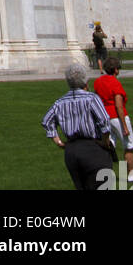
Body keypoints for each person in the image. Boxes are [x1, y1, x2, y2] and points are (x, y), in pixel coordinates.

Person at [42, 62, 116, 190]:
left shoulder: (60, 102)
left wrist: (58, 141)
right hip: (92, 148)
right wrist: (105, 142)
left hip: (72, 151)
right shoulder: (92, 98)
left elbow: (47, 121)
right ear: (85, 80)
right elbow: (104, 121)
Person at [94, 54, 133, 184]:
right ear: (116, 70)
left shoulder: (98, 81)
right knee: (129, 146)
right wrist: (124, 126)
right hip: (116, 117)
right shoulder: (115, 82)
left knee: (108, 145)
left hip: (104, 117)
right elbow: (119, 106)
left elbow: (96, 99)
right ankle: (130, 174)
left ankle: (104, 173)